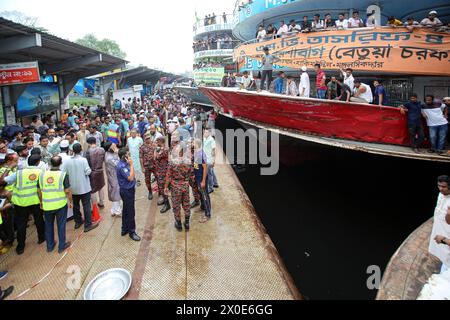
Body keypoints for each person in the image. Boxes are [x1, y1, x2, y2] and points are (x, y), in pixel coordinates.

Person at [2, 155, 45, 255]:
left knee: (21, 224)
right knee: (39, 220)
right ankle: (41, 238)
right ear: (38, 163)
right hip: (35, 201)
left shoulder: (18, 173)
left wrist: (9, 168)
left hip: (21, 203)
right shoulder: (40, 172)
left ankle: (20, 246)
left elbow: (3, 180)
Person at [39, 156, 72, 254]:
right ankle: (62, 246)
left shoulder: (42, 175)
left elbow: (39, 191)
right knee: (61, 225)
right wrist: (71, 202)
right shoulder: (63, 175)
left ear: (50, 163)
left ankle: (50, 246)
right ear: (60, 163)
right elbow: (67, 191)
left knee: (48, 225)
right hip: (60, 204)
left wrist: (41, 202)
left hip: (47, 205)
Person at [62, 143, 98, 233]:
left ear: (72, 150)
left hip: (73, 187)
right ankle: (88, 225)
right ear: (81, 149)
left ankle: (78, 222)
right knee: (86, 205)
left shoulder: (68, 161)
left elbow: (65, 173)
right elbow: (87, 171)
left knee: (76, 205)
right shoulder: (83, 160)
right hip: (84, 187)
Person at [165, 138, 192, 231]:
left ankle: (179, 224)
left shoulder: (173, 162)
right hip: (185, 185)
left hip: (175, 186)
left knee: (176, 205)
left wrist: (165, 187)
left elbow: (168, 176)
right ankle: (187, 223)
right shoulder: (188, 162)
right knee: (186, 204)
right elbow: (190, 174)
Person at [116, 148, 141, 242]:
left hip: (129, 189)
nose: (129, 156)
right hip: (127, 191)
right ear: (124, 156)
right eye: (128, 154)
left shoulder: (125, 163)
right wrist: (131, 165)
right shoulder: (122, 166)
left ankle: (124, 228)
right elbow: (131, 177)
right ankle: (132, 232)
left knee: (126, 210)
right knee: (131, 211)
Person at [429, 175, 450, 274]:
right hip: (439, 229)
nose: (441, 188)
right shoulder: (440, 195)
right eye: (439, 186)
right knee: (441, 251)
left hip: (447, 232)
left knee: (447, 252)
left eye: (444, 187)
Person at [193, 139, 211, 224]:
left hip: (201, 178)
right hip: (197, 177)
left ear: (197, 144)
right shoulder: (196, 152)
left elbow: (205, 168)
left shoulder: (201, 154)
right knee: (200, 194)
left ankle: (207, 214)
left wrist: (203, 181)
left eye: (194, 143)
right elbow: (196, 165)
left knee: (205, 195)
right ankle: (203, 206)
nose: (192, 144)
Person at [86, 137, 106, 207]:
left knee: (93, 189)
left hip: (93, 172)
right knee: (101, 187)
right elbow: (104, 160)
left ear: (89, 143)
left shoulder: (88, 151)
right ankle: (101, 202)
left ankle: (94, 205)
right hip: (100, 171)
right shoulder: (102, 149)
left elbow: (87, 163)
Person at [104, 142, 122, 217]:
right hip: (114, 177)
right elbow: (118, 164)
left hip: (113, 176)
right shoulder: (109, 158)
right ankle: (117, 211)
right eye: (113, 146)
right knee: (116, 193)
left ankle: (113, 210)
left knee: (116, 193)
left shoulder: (108, 154)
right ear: (109, 148)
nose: (115, 146)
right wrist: (118, 153)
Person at [154, 137, 171, 213]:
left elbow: (156, 157)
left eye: (157, 141)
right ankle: (165, 200)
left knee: (163, 188)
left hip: (163, 172)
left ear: (161, 141)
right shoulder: (161, 149)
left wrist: (155, 150)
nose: (156, 143)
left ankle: (167, 204)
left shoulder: (164, 150)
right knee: (161, 188)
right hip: (160, 171)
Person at [140, 133, 156, 201]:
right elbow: (140, 158)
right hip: (146, 166)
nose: (148, 139)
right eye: (147, 138)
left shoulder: (154, 144)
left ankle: (161, 191)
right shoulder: (142, 147)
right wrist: (142, 167)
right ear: (144, 139)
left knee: (159, 178)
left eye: (149, 138)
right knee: (147, 180)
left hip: (154, 165)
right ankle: (150, 191)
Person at [203, 128, 218, 193]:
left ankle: (211, 187)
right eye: (204, 132)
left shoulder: (211, 140)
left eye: (206, 132)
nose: (204, 133)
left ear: (209, 133)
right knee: (211, 171)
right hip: (206, 157)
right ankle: (215, 183)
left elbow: (214, 151)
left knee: (209, 174)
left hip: (209, 159)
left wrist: (213, 160)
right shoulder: (204, 138)